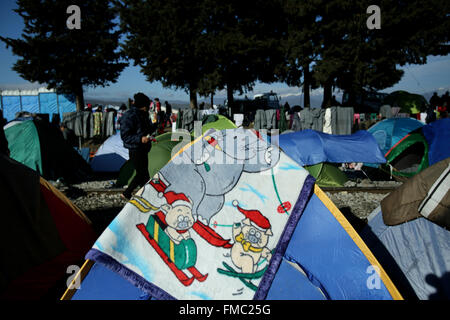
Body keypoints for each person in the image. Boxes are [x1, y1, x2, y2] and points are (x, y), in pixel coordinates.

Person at [119, 92, 157, 200]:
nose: (148, 108)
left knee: (144, 174)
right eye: (147, 105)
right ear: (143, 105)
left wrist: (155, 123)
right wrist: (140, 139)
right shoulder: (129, 115)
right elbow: (125, 136)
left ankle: (145, 195)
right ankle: (127, 193)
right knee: (141, 173)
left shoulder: (143, 114)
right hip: (135, 149)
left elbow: (148, 130)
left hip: (144, 148)